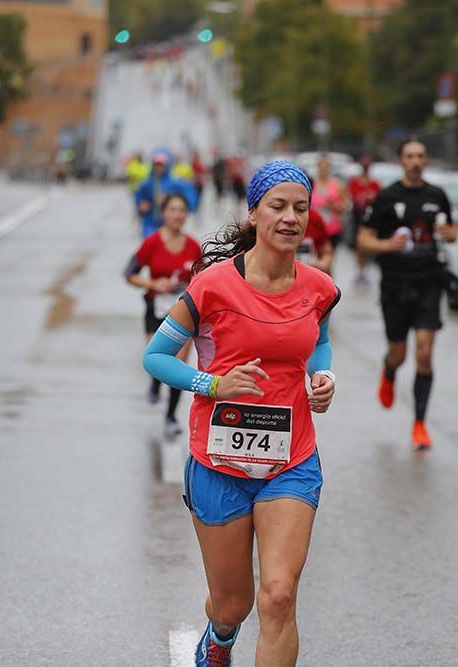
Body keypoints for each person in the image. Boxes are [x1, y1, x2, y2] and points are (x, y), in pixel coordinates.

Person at [143, 160, 340, 667]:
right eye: (278, 206)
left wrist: (323, 377)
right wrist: (214, 384)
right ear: (254, 214)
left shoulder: (319, 287)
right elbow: (156, 357)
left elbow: (317, 343)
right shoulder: (212, 286)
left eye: (301, 208)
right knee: (234, 605)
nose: (290, 218)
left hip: (291, 460)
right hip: (217, 462)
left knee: (278, 596)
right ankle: (220, 637)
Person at [357, 138, 457, 449]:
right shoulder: (387, 197)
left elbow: (453, 232)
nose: (415, 161)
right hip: (395, 284)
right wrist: (388, 245)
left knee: (424, 353)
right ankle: (389, 372)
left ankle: (419, 424)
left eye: (420, 156)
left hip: (429, 281)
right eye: (410, 156)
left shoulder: (437, 196)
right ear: (401, 160)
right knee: (399, 354)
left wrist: (448, 233)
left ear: (426, 160)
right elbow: (363, 240)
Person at [125, 193, 203, 436]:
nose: (178, 215)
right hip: (155, 309)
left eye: (182, 210)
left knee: (178, 363)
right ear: (164, 213)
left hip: (183, 314)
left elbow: (203, 281)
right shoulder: (152, 243)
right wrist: (153, 284)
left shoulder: (193, 246)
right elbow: (129, 274)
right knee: (157, 358)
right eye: (173, 209)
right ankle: (155, 383)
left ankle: (170, 416)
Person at [135, 150, 198, 237]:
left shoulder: (174, 182)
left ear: (166, 166)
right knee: (151, 244)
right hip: (150, 221)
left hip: (169, 222)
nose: (159, 167)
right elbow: (139, 197)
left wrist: (181, 205)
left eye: (161, 165)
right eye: (156, 164)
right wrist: (141, 205)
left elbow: (190, 193)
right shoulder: (146, 184)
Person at [347, 156, 381, 287]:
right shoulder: (354, 182)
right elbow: (348, 197)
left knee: (367, 247)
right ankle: (360, 272)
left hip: (370, 219)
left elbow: (379, 201)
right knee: (358, 247)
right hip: (357, 218)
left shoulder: (375, 184)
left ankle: (364, 271)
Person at [311, 155, 348, 250]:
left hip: (332, 230)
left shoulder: (337, 185)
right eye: (321, 167)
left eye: (326, 168)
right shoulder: (312, 184)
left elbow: (345, 207)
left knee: (329, 257)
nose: (323, 170)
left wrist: (333, 206)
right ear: (318, 168)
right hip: (314, 229)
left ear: (329, 168)